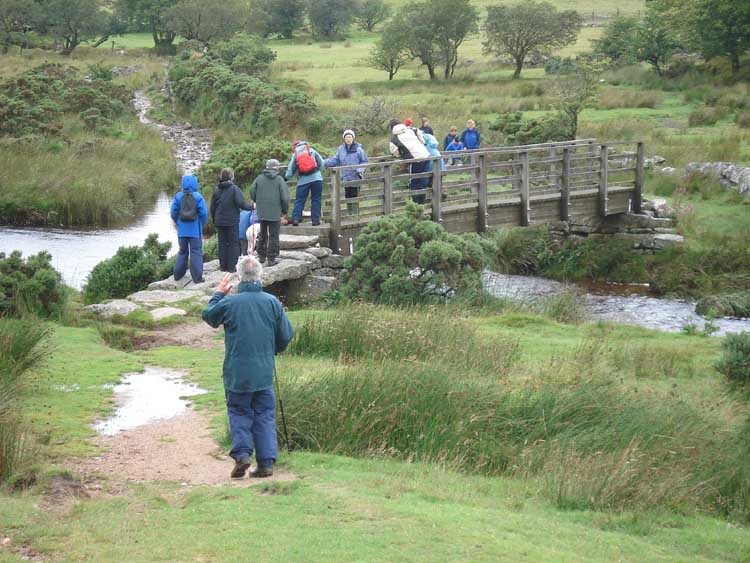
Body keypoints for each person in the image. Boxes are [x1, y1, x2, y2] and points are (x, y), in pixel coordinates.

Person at [202, 256, 294, 479]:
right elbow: (286, 335)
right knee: (264, 414)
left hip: (237, 373)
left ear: (239, 277)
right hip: (263, 372)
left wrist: (219, 293)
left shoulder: (230, 303)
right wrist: (272, 352)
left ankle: (243, 456)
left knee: (239, 412)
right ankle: (266, 464)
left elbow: (208, 316)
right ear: (259, 275)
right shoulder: (272, 302)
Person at [210, 168, 252, 272]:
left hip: (219, 221)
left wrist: (215, 220)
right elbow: (241, 204)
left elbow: (212, 208)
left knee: (222, 243)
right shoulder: (234, 189)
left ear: (221, 177)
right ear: (231, 177)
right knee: (233, 243)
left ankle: (223, 266)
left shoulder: (217, 190)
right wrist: (252, 207)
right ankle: (232, 267)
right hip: (231, 221)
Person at [250, 159, 290, 267]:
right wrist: (284, 210)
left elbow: (252, 192)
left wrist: (256, 200)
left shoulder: (259, 178)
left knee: (262, 234)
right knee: (274, 235)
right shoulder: (279, 180)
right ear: (276, 167)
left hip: (262, 211)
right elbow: (285, 198)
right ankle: (271, 258)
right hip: (275, 212)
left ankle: (261, 256)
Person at [170, 174, 208, 284]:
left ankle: (178, 275)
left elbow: (173, 212)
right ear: (195, 183)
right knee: (196, 252)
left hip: (182, 231)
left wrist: (178, 222)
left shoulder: (178, 196)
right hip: (195, 230)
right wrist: (201, 223)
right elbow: (204, 213)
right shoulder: (198, 196)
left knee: (182, 251)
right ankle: (197, 278)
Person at [324, 129, 369, 216]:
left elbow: (364, 161)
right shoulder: (341, 149)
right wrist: (324, 162)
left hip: (356, 177)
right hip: (345, 178)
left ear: (353, 138)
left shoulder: (358, 149)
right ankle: (350, 214)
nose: (348, 139)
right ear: (344, 139)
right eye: (346, 137)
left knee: (355, 196)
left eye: (350, 137)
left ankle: (355, 215)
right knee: (347, 196)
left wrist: (359, 170)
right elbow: (336, 160)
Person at [389, 119, 431, 204]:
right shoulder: (413, 130)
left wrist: (402, 154)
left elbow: (394, 152)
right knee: (423, 180)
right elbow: (423, 141)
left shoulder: (394, 139)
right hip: (426, 156)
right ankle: (421, 204)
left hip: (414, 160)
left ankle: (415, 205)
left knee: (414, 182)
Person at [285, 140, 325, 226]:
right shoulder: (312, 150)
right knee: (316, 199)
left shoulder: (295, 154)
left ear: (295, 147)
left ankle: (295, 219)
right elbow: (321, 163)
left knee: (299, 200)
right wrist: (318, 172)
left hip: (303, 181)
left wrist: (285, 178)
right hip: (316, 179)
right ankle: (315, 220)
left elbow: (291, 169)